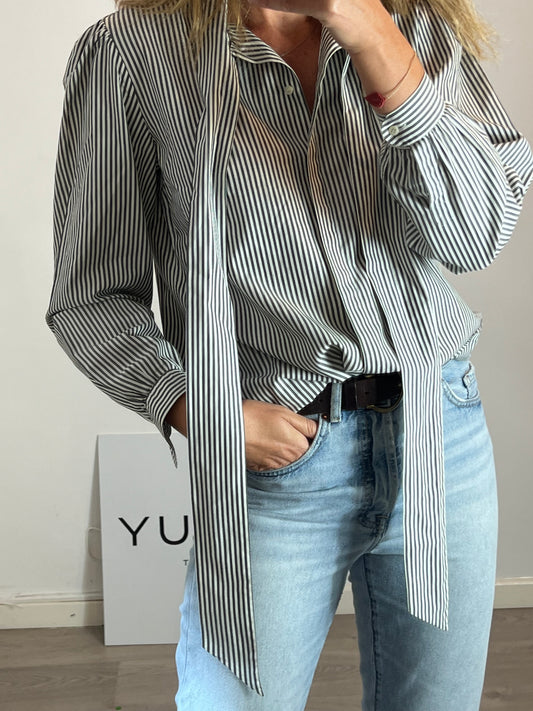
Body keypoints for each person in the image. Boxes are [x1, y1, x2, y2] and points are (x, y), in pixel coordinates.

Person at [46, 0, 533, 708]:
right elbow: (90, 293)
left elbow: (474, 235)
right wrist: (200, 411)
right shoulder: (131, 52)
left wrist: (371, 33)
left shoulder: (417, 25)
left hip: (441, 438)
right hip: (277, 465)